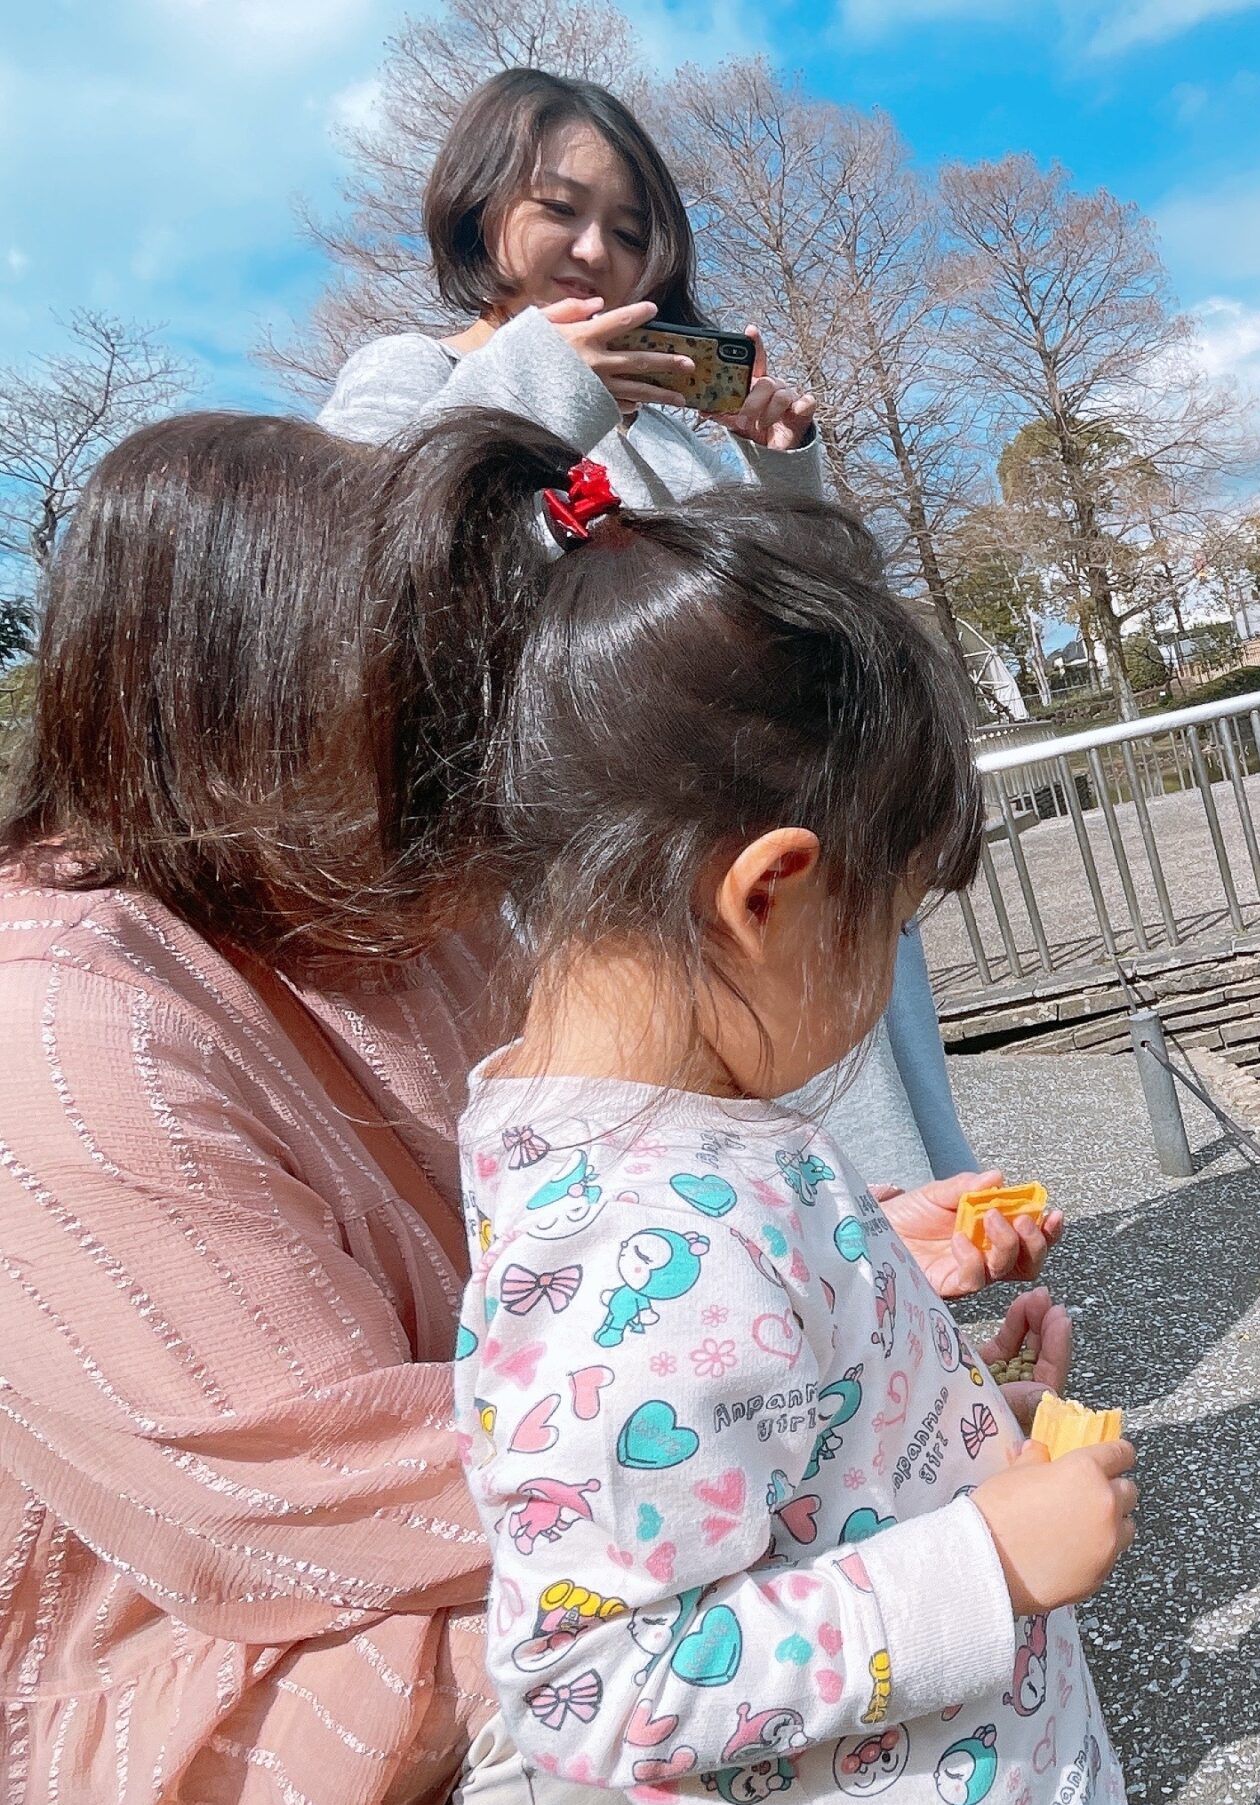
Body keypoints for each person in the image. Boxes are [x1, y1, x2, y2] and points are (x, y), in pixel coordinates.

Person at [0, 409, 1068, 1805]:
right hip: (260, 1672)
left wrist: (849, 1274)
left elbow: (606, 1253)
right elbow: (307, 1494)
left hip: (541, 1495)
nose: (480, 752)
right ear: (233, 698)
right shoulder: (54, 1025)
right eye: (428, 697)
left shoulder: (373, 906)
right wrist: (871, 1460)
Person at [454, 457, 1134, 1805]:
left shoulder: (693, 1124)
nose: (883, 973)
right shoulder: (632, 1234)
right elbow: (596, 1682)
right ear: (770, 893)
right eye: (885, 922)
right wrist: (983, 1567)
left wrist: (952, 1425)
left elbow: (761, 1460)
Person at [314, 64, 974, 1192]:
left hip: (772, 822)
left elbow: (799, 615)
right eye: (559, 210)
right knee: (706, 1173)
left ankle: (914, 1332)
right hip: (613, 866)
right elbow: (356, 566)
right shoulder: (414, 376)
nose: (595, 252)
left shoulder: (663, 426)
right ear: (478, 206)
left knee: (855, 1131)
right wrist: (543, 389)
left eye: (628, 229)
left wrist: (778, 462)